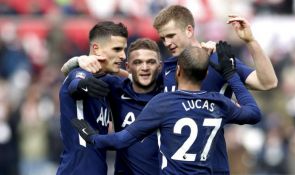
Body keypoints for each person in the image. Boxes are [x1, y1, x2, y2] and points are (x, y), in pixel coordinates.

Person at [60, 5, 277, 174]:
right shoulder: (167, 69)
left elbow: (267, 82)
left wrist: (250, 41)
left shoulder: (217, 61)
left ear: (189, 29)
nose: (167, 42)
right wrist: (78, 61)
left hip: (213, 164)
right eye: (163, 38)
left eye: (171, 35)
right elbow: (130, 74)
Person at [71, 43, 262, 174]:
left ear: (177, 71)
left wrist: (92, 137)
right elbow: (254, 113)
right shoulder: (220, 103)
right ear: (205, 75)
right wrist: (231, 75)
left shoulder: (164, 102)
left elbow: (121, 140)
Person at [57, 21, 128, 175]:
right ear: (96, 49)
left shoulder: (107, 81)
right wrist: (84, 84)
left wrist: (73, 61)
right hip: (76, 170)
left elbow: (136, 82)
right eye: (117, 49)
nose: (123, 55)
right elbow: (74, 85)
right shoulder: (80, 74)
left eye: (123, 49)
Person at [104, 38, 163, 174]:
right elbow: (77, 73)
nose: (145, 68)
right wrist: (79, 61)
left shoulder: (169, 95)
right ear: (128, 67)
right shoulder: (116, 91)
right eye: (138, 62)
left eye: (151, 62)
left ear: (160, 66)